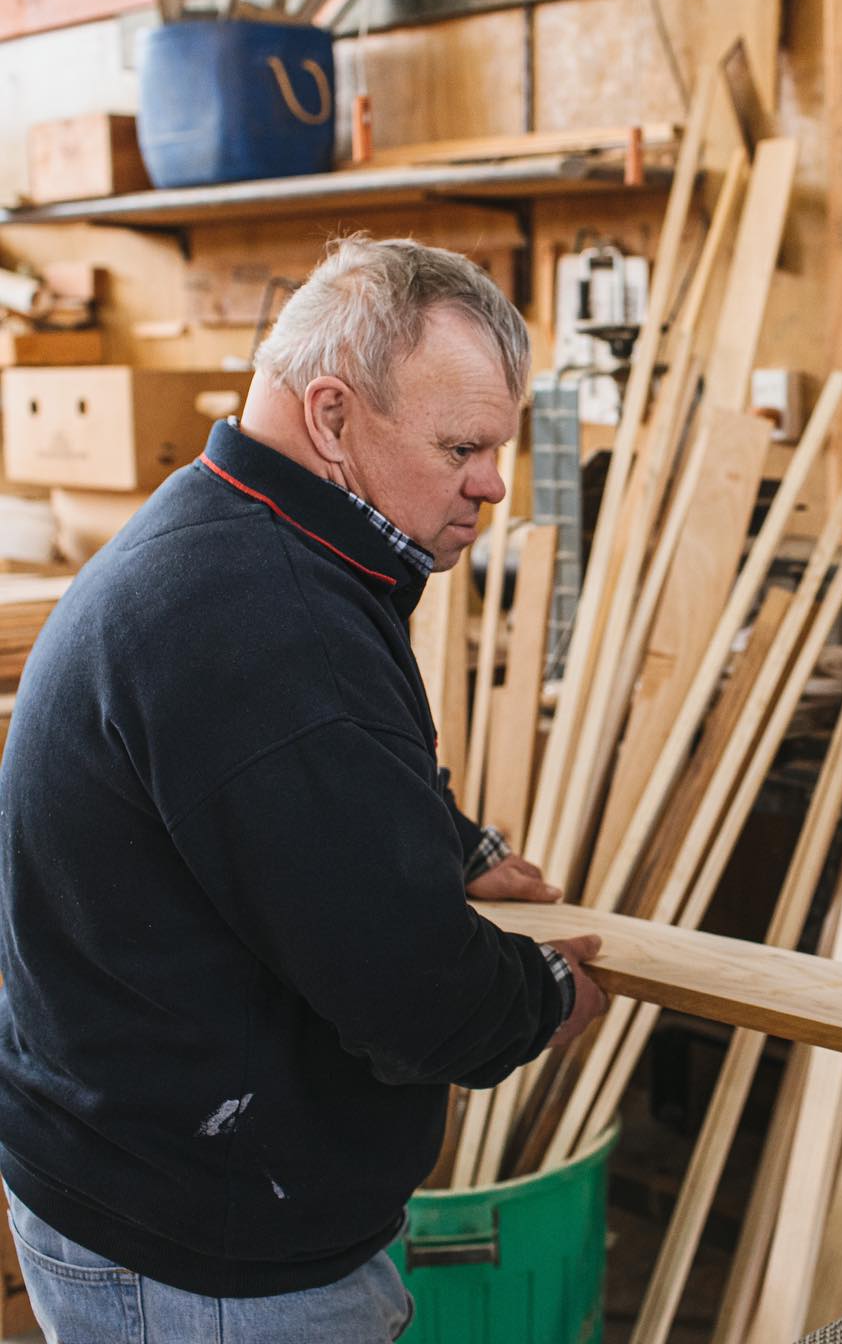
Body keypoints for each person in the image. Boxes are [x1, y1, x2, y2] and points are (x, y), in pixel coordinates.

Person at [0, 236, 608, 1342]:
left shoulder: (235, 534)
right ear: (332, 419)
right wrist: (548, 998)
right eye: (462, 446)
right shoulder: (266, 619)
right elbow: (416, 996)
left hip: (132, 1176)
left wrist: (452, 844)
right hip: (202, 1258)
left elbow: (304, 790)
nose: (493, 484)